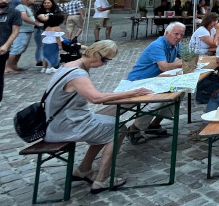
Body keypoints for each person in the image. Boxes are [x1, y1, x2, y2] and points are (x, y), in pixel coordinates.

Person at [44, 40, 154, 193]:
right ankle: (103, 179)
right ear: (95, 54)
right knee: (120, 129)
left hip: (61, 122)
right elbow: (96, 98)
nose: (105, 64)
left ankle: (84, 169)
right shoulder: (78, 73)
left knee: (106, 125)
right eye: (105, 59)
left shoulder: (71, 65)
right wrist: (132, 92)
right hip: (66, 125)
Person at [124, 22, 185, 143]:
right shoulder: (157, 45)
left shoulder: (175, 45)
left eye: (181, 35)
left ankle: (154, 125)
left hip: (155, 81)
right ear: (167, 33)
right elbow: (164, 67)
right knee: (156, 102)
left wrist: (189, 58)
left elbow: (186, 57)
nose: (178, 37)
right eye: (176, 34)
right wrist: (178, 64)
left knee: (180, 91)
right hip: (138, 82)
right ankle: (134, 129)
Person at [6, 0, 41, 73]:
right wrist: (36, 23)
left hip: (27, 31)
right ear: (27, 0)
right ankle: (7, 67)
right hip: (22, 31)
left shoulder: (26, 7)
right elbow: (24, 17)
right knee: (16, 49)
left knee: (20, 50)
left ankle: (14, 66)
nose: (34, 0)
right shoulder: (21, 7)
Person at [37, 0, 65, 73]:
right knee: (53, 55)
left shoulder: (47, 28)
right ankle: (50, 67)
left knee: (45, 55)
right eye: (45, 3)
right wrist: (60, 45)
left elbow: (43, 36)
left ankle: (44, 67)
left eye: (48, 3)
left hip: (46, 43)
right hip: (53, 43)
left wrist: (45, 41)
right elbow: (57, 37)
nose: (46, 4)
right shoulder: (57, 28)